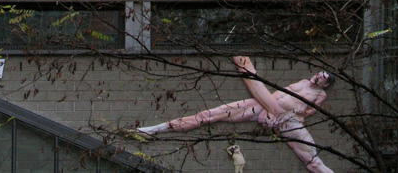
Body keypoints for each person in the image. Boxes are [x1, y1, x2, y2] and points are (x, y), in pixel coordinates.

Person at [138, 71, 336, 173]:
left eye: (322, 77)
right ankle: (157, 128)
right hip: (264, 105)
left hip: (288, 120)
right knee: (213, 113)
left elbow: (308, 111)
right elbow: (280, 92)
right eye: (319, 73)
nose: (318, 76)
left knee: (312, 161)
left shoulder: (320, 94)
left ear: (325, 83)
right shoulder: (302, 82)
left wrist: (283, 116)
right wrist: (269, 106)